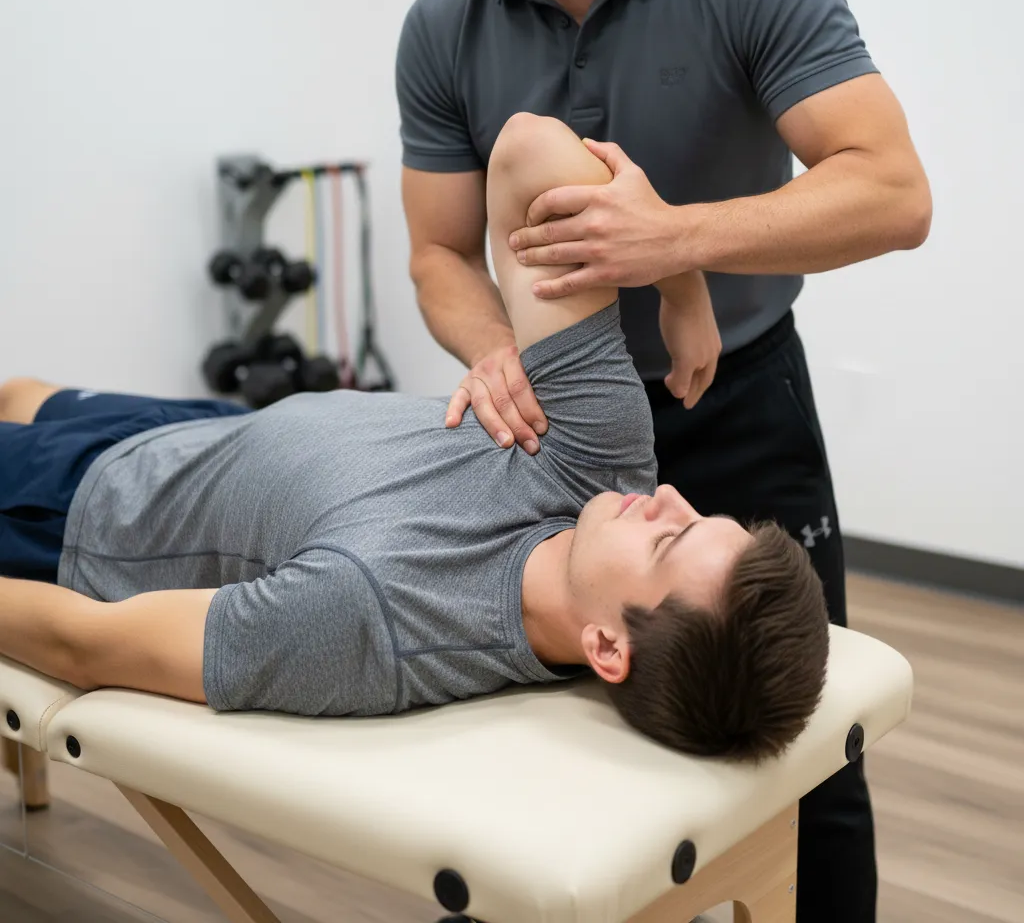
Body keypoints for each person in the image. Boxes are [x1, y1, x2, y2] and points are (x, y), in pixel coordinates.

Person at [398, 0, 932, 917]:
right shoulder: (442, 24)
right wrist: (495, 351)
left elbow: (894, 193)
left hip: (734, 402)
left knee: (806, 756)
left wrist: (676, 245)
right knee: (531, 764)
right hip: (553, 432)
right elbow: (439, 251)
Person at [0, 113, 828, 763]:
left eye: (668, 539)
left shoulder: (378, 621)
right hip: (210, 438)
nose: (667, 496)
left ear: (608, 646)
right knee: (19, 393)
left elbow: (84, 643)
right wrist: (679, 274)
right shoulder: (602, 455)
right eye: (696, 513)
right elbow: (529, 152)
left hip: (102, 511)